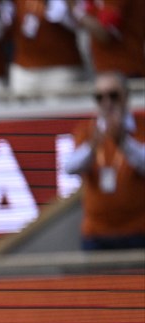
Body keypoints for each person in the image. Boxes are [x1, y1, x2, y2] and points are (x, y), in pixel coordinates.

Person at [64, 71, 145, 250]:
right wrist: (92, 148)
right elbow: (69, 167)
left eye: (113, 95)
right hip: (97, 233)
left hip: (139, 231)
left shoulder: (141, 126)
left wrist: (124, 143)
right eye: (100, 97)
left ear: (126, 97)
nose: (107, 102)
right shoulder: (87, 131)